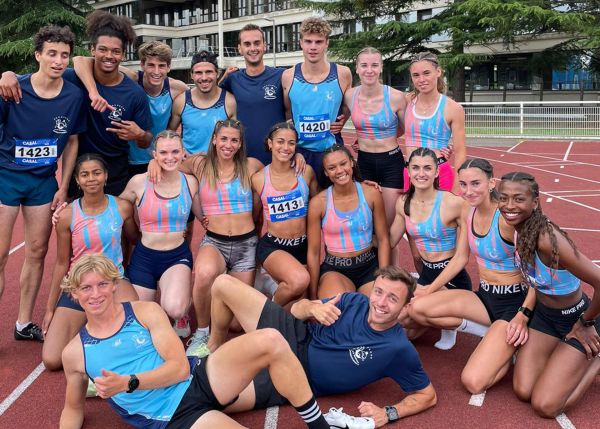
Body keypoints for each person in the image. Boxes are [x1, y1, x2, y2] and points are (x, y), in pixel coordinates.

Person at [59, 254, 332, 429]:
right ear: (74, 294)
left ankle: (318, 425)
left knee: (271, 339)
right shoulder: (75, 353)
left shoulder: (144, 312)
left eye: (102, 284)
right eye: (86, 287)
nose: (96, 294)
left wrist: (128, 382)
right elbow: (73, 409)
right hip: (174, 419)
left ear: (114, 285)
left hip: (198, 377)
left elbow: (179, 368)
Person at [209, 267, 437, 427]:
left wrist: (388, 413)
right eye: (378, 292)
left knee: (213, 398)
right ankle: (213, 349)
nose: (380, 303)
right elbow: (297, 311)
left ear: (405, 307)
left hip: (295, 378)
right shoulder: (353, 301)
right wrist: (310, 309)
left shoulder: (398, 348)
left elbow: (428, 395)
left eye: (392, 298)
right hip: (295, 336)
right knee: (222, 284)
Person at [408, 159, 535, 393]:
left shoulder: (507, 219)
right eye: (463, 184)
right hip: (485, 297)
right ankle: (491, 336)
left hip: (514, 304)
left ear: (491, 183)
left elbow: (536, 276)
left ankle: (506, 349)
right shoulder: (469, 212)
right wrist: (429, 287)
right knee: (417, 308)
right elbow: (460, 258)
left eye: (476, 183)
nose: (468, 191)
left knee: (473, 382)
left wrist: (523, 316)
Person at [0, 25, 86, 342]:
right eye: (52, 53)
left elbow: (74, 141)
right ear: (38, 55)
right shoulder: (12, 88)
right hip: (6, 178)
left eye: (64, 54)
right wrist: (5, 73)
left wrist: (63, 186)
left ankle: (23, 323)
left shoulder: (73, 95)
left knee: (37, 251)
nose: (59, 60)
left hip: (43, 182)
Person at [497, 172, 600, 418]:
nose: (510, 206)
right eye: (503, 198)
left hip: (576, 319)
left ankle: (596, 358)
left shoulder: (547, 240)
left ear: (535, 202)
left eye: (518, 199)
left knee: (546, 406)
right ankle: (566, 355)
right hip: (545, 318)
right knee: (523, 390)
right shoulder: (520, 228)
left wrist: (585, 323)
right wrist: (525, 313)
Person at [42, 154, 139, 370]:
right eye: (84, 174)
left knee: (133, 340)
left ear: (105, 176)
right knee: (52, 360)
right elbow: (61, 263)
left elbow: (135, 240)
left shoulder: (122, 207)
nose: (91, 178)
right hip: (80, 283)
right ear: (77, 180)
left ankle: (95, 327)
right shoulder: (67, 216)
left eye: (96, 173)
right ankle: (88, 323)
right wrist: (50, 308)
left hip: (114, 279)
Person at [176, 119, 262, 357]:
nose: (228, 144)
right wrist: (153, 163)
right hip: (215, 241)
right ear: (214, 139)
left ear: (240, 143)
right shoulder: (200, 164)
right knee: (203, 275)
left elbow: (279, 174)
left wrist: (295, 158)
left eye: (234, 140)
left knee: (236, 323)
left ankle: (259, 286)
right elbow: (170, 162)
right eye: (223, 138)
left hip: (247, 244)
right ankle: (203, 332)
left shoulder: (251, 165)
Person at [119, 130, 200, 337]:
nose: (170, 157)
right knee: (136, 319)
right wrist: (72, 209)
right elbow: (113, 208)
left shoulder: (190, 183)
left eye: (175, 152)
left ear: (183, 153)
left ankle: (181, 313)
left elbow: (207, 216)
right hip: (144, 257)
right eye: (163, 153)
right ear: (154, 155)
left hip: (176, 257)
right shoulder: (139, 182)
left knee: (173, 308)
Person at [73, 41, 189, 178]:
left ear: (169, 67)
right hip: (126, 157)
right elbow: (80, 60)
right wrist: (93, 92)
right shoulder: (132, 78)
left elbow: (191, 114)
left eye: (162, 66)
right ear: (142, 65)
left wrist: (182, 146)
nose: (156, 72)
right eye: (151, 65)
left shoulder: (178, 89)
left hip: (158, 158)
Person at [390, 147, 472, 340]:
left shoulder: (453, 203)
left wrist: (430, 289)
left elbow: (462, 257)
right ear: (408, 172)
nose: (421, 173)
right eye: (415, 168)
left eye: (427, 168)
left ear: (436, 172)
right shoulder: (403, 202)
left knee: (414, 310)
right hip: (427, 273)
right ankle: (441, 315)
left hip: (452, 277)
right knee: (405, 328)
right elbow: (391, 239)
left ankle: (459, 322)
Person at [345, 46, 407, 264]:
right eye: (364, 65)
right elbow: (337, 121)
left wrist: (441, 149)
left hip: (391, 162)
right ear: (357, 68)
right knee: (368, 224)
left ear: (381, 67)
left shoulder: (397, 97)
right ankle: (371, 273)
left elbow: (409, 129)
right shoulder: (350, 95)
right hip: (364, 163)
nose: (369, 70)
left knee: (388, 228)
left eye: (374, 65)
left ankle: (393, 273)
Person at [307, 144, 390, 300]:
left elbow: (383, 239)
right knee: (339, 310)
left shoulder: (371, 194)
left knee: (374, 309)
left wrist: (383, 278)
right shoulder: (318, 203)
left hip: (369, 267)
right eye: (332, 168)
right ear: (326, 173)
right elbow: (313, 252)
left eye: (343, 164)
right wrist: (312, 297)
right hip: (335, 270)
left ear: (352, 162)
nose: (339, 171)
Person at [252, 122, 318, 307]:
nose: (286, 147)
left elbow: (321, 204)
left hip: (302, 247)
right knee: (299, 280)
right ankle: (267, 314)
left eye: (291, 143)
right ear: (270, 143)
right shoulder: (258, 179)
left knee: (298, 312)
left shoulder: (306, 173)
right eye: (280, 142)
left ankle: (273, 285)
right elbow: (256, 220)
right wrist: (254, 262)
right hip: (274, 247)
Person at [282, 17, 352, 189]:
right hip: (299, 153)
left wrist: (342, 121)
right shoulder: (288, 76)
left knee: (335, 201)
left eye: (318, 42)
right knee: (304, 206)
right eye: (308, 41)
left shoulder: (343, 74)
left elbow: (347, 107)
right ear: (301, 43)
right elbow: (288, 113)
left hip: (331, 149)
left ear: (327, 43)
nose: (313, 47)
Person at [219, 24, 286, 165]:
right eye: (247, 44)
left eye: (257, 43)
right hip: (242, 160)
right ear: (240, 48)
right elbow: (212, 98)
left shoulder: (281, 76)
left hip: (277, 158)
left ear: (265, 46)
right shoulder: (233, 78)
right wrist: (223, 77)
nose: (253, 48)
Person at [403, 51, 466, 194]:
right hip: (410, 173)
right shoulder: (407, 101)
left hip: (439, 173)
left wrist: (457, 190)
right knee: (409, 215)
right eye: (416, 75)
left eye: (426, 73)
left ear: (438, 72)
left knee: (440, 216)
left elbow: (460, 151)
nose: (421, 79)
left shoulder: (453, 108)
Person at [169, 50, 236, 155]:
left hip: (218, 165)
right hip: (188, 165)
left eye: (209, 72)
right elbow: (170, 134)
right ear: (191, 75)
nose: (204, 78)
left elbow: (236, 137)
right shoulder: (181, 101)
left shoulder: (230, 102)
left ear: (217, 73)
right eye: (198, 73)